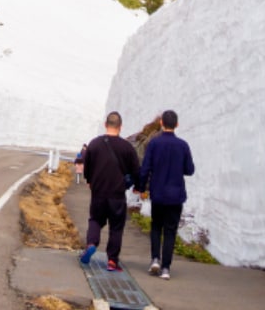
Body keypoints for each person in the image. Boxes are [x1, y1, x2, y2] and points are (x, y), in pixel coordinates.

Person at [78, 111, 141, 273]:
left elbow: (87, 166)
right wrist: (138, 186)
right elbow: (136, 170)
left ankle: (91, 244)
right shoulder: (127, 147)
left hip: (99, 191)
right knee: (116, 227)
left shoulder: (94, 144)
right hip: (117, 194)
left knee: (95, 220)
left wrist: (90, 180)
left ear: (106, 125)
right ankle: (112, 261)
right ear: (120, 127)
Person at [136, 109, 195, 279]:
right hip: (176, 195)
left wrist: (141, 188)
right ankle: (166, 269)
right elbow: (189, 170)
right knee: (170, 231)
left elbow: (145, 168)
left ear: (161, 123)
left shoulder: (154, 144)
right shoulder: (183, 145)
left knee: (156, 226)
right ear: (176, 125)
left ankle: (155, 259)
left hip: (158, 193)